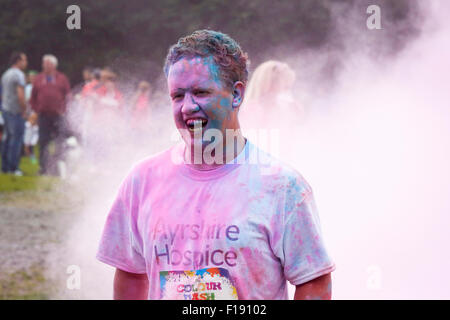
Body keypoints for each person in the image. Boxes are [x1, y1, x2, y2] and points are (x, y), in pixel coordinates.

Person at [97, 30, 335, 300]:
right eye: (177, 96)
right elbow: (130, 273)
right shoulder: (142, 179)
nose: (187, 107)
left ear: (236, 95)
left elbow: (313, 280)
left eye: (200, 92)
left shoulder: (283, 187)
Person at [30, 54, 71, 175]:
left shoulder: (61, 78)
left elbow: (68, 96)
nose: (44, 66)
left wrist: (64, 110)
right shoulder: (39, 78)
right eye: (44, 63)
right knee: (43, 142)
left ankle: (58, 167)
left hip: (58, 116)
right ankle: (43, 168)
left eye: (46, 63)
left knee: (60, 142)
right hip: (43, 116)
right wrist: (36, 109)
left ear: (53, 65)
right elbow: (33, 97)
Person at [1, 51, 28, 175]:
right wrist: (24, 110)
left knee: (7, 138)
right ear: (18, 61)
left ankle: (5, 167)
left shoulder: (6, 74)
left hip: (5, 110)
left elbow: (2, 95)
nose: (26, 63)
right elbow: (20, 95)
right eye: (24, 60)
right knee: (16, 139)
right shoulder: (19, 75)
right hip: (15, 112)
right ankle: (14, 168)